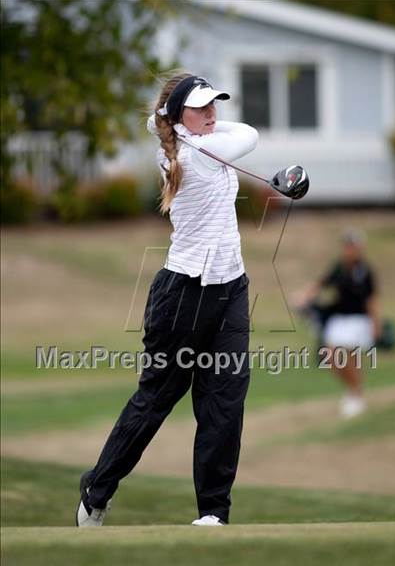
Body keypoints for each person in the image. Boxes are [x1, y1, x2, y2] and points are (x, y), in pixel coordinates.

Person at [76, 72, 259, 527]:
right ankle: (96, 491)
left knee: (225, 401)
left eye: (215, 105)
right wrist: (185, 124)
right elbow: (250, 133)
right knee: (158, 398)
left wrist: (181, 119)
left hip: (231, 287)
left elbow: (199, 130)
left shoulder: (189, 144)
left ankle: (213, 513)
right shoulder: (198, 153)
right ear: (178, 118)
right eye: (202, 108)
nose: (214, 114)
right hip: (184, 294)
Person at [298, 230, 381, 418]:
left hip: (359, 319)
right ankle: (354, 391)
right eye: (347, 246)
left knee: (348, 358)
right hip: (339, 319)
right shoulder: (339, 268)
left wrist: (376, 323)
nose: (349, 250)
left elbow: (372, 300)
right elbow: (321, 284)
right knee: (331, 356)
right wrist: (304, 298)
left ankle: (356, 394)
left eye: (353, 246)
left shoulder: (364, 271)